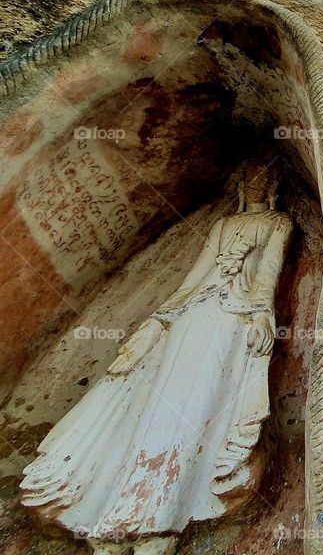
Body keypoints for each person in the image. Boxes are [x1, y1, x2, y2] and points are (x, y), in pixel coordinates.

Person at [21, 161, 294, 555]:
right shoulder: (221, 227)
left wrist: (261, 314)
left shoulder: (278, 223)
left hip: (232, 320)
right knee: (154, 405)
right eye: (250, 177)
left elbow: (268, 273)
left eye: (264, 179)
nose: (256, 183)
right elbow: (194, 278)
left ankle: (163, 514)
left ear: (273, 186)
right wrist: (159, 320)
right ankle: (120, 510)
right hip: (192, 315)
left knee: (200, 406)